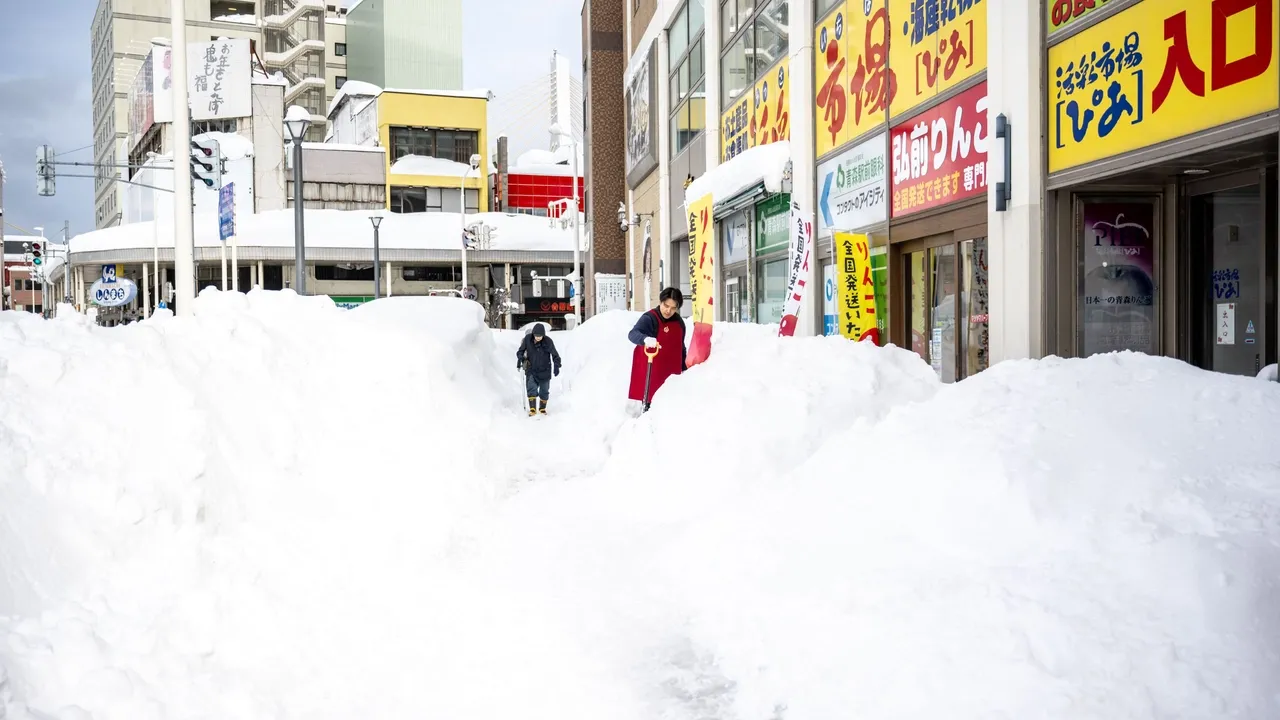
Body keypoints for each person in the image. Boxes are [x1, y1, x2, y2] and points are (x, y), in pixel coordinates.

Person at [627, 287, 687, 412]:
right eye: (666, 305)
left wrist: (685, 369)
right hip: (652, 376)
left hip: (671, 377)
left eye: (673, 308)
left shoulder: (679, 323)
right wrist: (645, 339)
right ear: (661, 302)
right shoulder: (650, 318)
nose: (668, 310)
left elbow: (681, 348)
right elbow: (633, 334)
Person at [516, 323, 561, 416]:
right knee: (531, 387)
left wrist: (557, 365)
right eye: (536, 336)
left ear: (543, 335)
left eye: (540, 336)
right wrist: (520, 357)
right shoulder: (527, 339)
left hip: (545, 369)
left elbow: (555, 354)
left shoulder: (548, 341)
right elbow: (520, 351)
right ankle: (532, 409)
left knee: (544, 390)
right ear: (533, 334)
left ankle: (542, 408)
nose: (538, 338)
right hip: (531, 368)